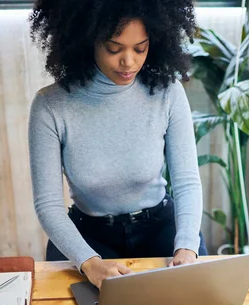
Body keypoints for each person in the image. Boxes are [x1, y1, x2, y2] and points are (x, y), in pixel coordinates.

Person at [27, 0, 206, 289]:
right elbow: (48, 205)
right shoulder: (50, 106)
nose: (129, 62)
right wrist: (89, 262)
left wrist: (186, 247)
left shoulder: (167, 92)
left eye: (140, 48)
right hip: (88, 236)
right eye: (114, 48)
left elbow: (186, 182)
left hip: (161, 229)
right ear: (87, 39)